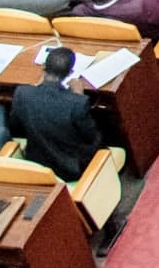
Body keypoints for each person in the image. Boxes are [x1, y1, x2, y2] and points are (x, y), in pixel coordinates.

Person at [9, 45, 103, 180]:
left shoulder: (22, 93)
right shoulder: (77, 103)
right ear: (70, 73)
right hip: (70, 170)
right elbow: (89, 137)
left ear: (43, 67)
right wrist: (79, 95)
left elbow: (16, 127)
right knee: (100, 134)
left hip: (36, 164)